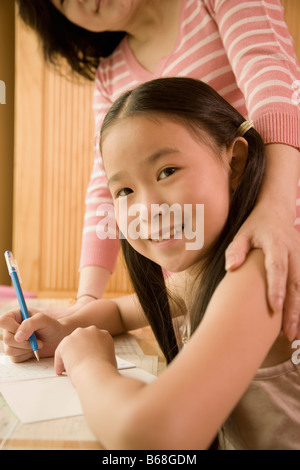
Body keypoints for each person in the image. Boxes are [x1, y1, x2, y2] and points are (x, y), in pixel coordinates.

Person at [1, 78, 300, 450]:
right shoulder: (204, 269)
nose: (145, 209)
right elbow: (126, 312)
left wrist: (88, 365)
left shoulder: (255, 270)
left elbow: (148, 436)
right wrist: (64, 328)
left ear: (234, 162)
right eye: (124, 191)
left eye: (167, 172)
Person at [16, 0, 300, 340]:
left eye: (167, 172)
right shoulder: (109, 75)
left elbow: (275, 86)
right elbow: (104, 184)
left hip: (277, 232)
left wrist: (275, 210)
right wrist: (85, 303)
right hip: (206, 263)